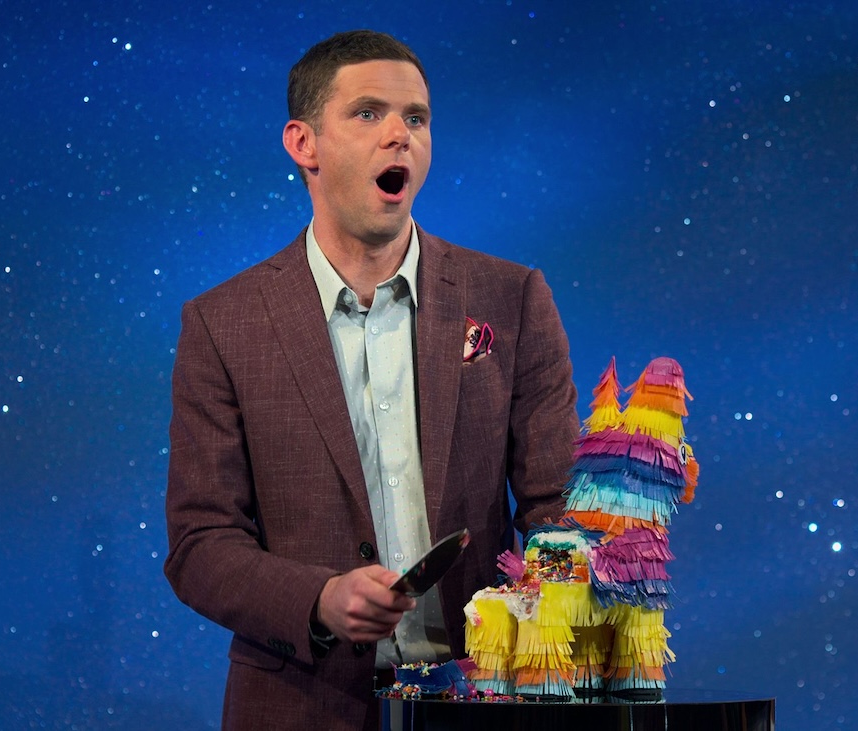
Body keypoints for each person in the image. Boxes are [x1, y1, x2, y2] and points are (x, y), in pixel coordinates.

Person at [163, 29, 579, 730]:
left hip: (483, 701)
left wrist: (546, 620)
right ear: (304, 144)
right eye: (368, 113)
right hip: (299, 706)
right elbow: (200, 543)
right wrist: (319, 598)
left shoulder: (512, 297)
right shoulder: (222, 325)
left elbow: (557, 508)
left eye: (416, 118)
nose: (399, 135)